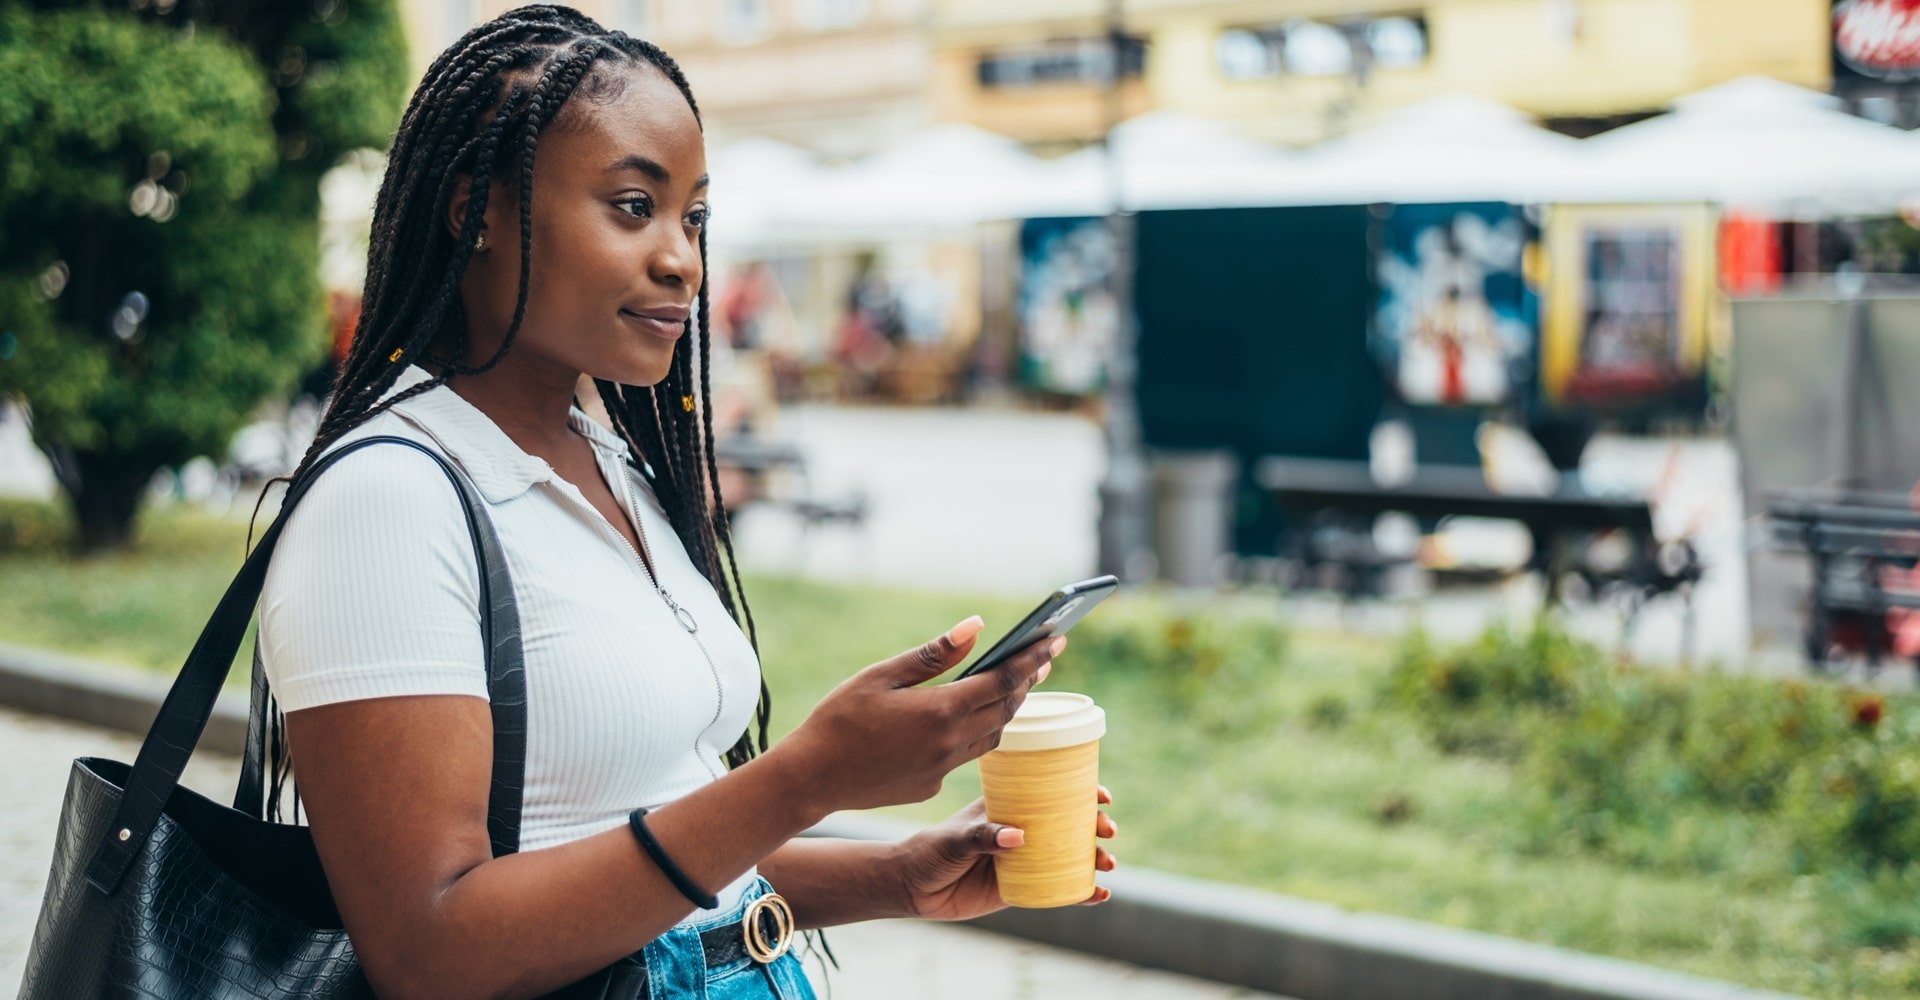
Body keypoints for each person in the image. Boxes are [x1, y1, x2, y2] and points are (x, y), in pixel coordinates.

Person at [254, 7, 1115, 999]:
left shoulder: (606, 458)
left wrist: (900, 874)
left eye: (694, 217)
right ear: (474, 211)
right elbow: (432, 949)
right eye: (633, 205)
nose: (683, 260)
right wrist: (805, 776)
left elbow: (648, 837)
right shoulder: (388, 499)